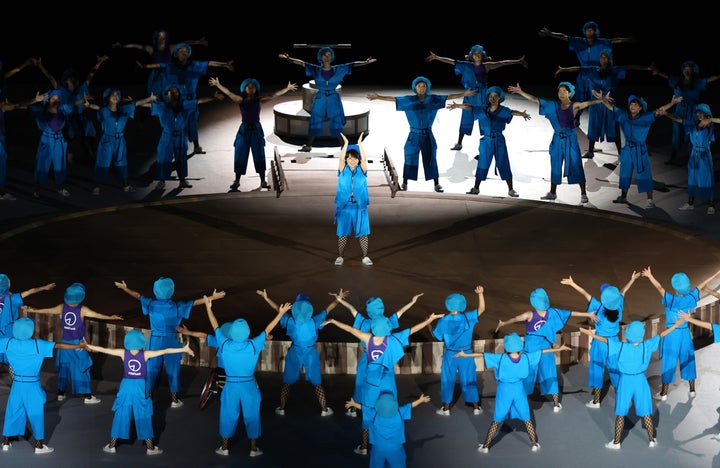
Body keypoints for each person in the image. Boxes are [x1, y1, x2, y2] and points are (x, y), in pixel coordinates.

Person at [322, 312, 442, 457]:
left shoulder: (368, 339)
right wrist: (429, 319)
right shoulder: (393, 339)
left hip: (371, 383)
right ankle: (388, 442)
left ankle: (364, 446)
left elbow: (350, 329)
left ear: (373, 328)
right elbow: (413, 329)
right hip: (388, 383)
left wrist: (334, 321)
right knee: (389, 410)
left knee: (368, 412)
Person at [113, 277, 226, 407]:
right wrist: (212, 298)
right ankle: (174, 399)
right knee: (173, 369)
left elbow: (138, 296)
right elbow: (194, 303)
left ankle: (149, 396)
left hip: (155, 341)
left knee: (152, 369)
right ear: (171, 290)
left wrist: (125, 288)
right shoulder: (177, 307)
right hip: (171, 341)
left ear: (155, 290)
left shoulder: (151, 304)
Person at [202, 294, 289, 457]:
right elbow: (268, 329)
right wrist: (281, 313)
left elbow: (215, 326)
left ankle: (224, 447)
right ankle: (254, 449)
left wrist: (208, 306)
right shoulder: (253, 344)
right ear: (247, 332)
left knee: (228, 415)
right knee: (252, 415)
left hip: (231, 386)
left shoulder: (224, 343)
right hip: (249, 385)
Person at [84, 329, 194, 455]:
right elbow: (166, 350)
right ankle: (150, 448)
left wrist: (87, 345)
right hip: (140, 388)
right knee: (143, 416)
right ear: (141, 342)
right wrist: (183, 349)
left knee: (121, 415)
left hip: (126, 387)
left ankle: (111, 446)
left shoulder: (123, 353)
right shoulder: (146, 354)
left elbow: (103, 349)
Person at [579, 319, 686, 449]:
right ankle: (652, 440)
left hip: (625, 381)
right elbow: (662, 334)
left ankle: (616, 442)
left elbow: (605, 340)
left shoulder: (621, 346)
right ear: (641, 335)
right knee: (646, 412)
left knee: (620, 413)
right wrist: (675, 324)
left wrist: (589, 333)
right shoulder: (646, 345)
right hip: (641, 381)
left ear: (628, 334)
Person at [456, 333, 571, 453]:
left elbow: (480, 355)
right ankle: (535, 444)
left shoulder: (500, 358)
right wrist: (559, 348)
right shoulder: (526, 357)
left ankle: (485, 446)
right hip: (519, 390)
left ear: (506, 347)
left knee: (497, 419)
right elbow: (542, 352)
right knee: (527, 418)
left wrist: (464, 354)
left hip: (504, 391)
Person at [495, 287, 597, 411]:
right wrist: (589, 314)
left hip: (530, 350)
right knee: (550, 374)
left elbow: (516, 319)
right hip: (546, 349)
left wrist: (504, 323)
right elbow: (571, 313)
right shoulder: (553, 312)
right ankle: (556, 405)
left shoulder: (529, 314)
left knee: (526, 374)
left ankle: (520, 403)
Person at [367, 76, 475, 192]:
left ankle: (436, 184)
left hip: (428, 134)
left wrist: (464, 94)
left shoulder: (433, 99)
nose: (421, 88)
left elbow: (448, 96)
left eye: (424, 86)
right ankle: (405, 182)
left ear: (427, 88)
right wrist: (378, 97)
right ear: (415, 88)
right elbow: (394, 99)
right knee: (410, 158)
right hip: (414, 135)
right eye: (419, 86)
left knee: (431, 158)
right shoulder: (409, 100)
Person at [331, 291, 424, 422]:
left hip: (367, 359)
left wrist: (340, 300)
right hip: (386, 360)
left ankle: (356, 407)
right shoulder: (388, 322)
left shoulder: (364, 322)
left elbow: (352, 310)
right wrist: (412, 302)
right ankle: (390, 409)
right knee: (388, 384)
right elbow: (400, 312)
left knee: (362, 383)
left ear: (369, 310)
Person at [23, 282, 123, 404]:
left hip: (64, 344)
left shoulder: (62, 307)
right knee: (83, 369)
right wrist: (111, 318)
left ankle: (61, 393)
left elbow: (48, 311)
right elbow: (98, 315)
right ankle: (87, 397)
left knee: (64, 369)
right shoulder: (82, 309)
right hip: (78, 346)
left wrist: (34, 310)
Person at [507, 82, 604, 204]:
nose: (562, 93)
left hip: (570, 140)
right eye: (560, 91)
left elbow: (588, 103)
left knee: (576, 165)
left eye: (564, 91)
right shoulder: (553, 106)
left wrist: (601, 100)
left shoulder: (574, 106)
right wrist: (521, 92)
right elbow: (536, 100)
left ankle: (583, 193)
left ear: (569, 93)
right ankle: (552, 193)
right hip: (557, 139)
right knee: (555, 165)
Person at [0, 317, 84, 454]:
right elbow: (58, 345)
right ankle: (39, 446)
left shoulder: (8, 342)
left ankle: (5, 443)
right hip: (32, 386)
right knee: (36, 414)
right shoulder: (38, 344)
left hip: (16, 385)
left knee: (12, 411)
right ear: (31, 331)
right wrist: (77, 346)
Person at [255, 288, 343, 416]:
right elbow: (329, 308)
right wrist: (338, 299)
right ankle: (324, 409)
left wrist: (266, 298)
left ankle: (281, 408)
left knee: (287, 382)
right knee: (317, 383)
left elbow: (277, 310)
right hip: (310, 353)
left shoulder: (290, 320)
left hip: (294, 352)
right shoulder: (315, 320)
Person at [560, 272, 641, 407]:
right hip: (614, 342)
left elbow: (585, 294)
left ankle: (596, 401)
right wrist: (631, 279)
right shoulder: (619, 307)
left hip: (599, 342)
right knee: (615, 369)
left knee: (597, 370)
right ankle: (622, 396)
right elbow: (623, 292)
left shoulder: (598, 308)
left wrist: (572, 283)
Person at [425, 45, 528, 151]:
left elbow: (502, 63)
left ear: (482, 55)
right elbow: (452, 61)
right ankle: (459, 143)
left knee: (485, 117)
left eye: (479, 53)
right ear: (471, 56)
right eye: (475, 53)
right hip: (470, 94)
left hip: (483, 95)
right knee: (466, 117)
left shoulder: (486, 66)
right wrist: (437, 57)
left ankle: (487, 143)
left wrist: (518, 61)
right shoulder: (466, 65)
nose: (477, 55)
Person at [556, 50, 654, 158]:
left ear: (609, 59)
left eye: (606, 57)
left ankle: (621, 153)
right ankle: (590, 151)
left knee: (613, 126)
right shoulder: (594, 70)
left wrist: (647, 68)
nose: (603, 59)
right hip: (596, 103)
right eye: (601, 57)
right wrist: (563, 69)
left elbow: (629, 67)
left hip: (609, 103)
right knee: (594, 125)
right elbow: (579, 68)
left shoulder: (614, 71)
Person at [640, 266, 720, 400]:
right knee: (688, 359)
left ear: (675, 287)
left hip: (672, 334)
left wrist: (650, 276)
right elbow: (701, 285)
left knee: (669, 361)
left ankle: (664, 393)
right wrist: (717, 273)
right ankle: (692, 389)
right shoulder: (690, 298)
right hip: (685, 334)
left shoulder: (671, 300)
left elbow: (660, 288)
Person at [139, 42, 234, 155]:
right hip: (174, 99)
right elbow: (158, 65)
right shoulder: (171, 66)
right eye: (182, 50)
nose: (185, 52)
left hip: (189, 99)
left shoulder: (194, 65)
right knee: (172, 124)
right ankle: (170, 146)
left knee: (192, 122)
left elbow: (209, 63)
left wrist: (224, 65)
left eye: (186, 50)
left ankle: (196, 146)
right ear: (176, 53)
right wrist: (144, 66)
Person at [592, 91, 682, 208]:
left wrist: (672, 103)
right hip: (627, 149)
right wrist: (603, 99)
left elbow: (659, 110)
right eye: (631, 104)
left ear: (640, 108)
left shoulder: (646, 117)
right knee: (625, 173)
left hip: (640, 150)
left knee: (644, 173)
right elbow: (611, 107)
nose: (632, 106)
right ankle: (623, 197)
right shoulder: (624, 115)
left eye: (636, 105)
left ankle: (650, 200)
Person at [278, 47, 376, 152]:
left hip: (333, 98)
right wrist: (288, 58)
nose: (327, 57)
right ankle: (308, 146)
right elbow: (302, 63)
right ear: (320, 57)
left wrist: (366, 62)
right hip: (320, 97)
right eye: (324, 55)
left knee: (336, 121)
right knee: (315, 120)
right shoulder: (315, 69)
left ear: (332, 56)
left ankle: (343, 145)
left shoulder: (338, 69)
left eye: (329, 55)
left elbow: (352, 64)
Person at [538, 21, 635, 127]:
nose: (589, 31)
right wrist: (550, 33)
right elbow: (565, 37)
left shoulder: (600, 42)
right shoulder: (579, 42)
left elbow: (615, 40)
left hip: (597, 74)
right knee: (580, 98)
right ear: (584, 31)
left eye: (592, 30)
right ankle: (576, 117)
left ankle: (604, 121)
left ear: (595, 31)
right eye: (587, 29)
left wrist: (626, 39)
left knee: (598, 98)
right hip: (583, 74)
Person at [209, 76, 297, 191]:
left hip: (256, 130)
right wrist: (218, 85)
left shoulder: (259, 100)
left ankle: (262, 181)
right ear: (244, 89)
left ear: (256, 89)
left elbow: (274, 95)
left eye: (253, 87)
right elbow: (229, 93)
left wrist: (287, 88)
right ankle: (237, 181)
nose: (251, 89)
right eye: (248, 87)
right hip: (244, 130)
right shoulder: (240, 100)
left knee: (259, 154)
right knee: (240, 154)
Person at [446, 86, 531, 197]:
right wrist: (457, 106)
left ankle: (511, 189)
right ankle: (476, 188)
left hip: (499, 140)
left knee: (503, 162)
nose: (492, 98)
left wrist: (521, 113)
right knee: (482, 163)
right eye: (491, 96)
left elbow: (512, 112)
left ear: (499, 98)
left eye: (495, 96)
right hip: (486, 141)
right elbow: (470, 107)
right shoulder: (482, 109)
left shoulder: (504, 110)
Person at [137, 83, 222, 190]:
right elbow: (147, 105)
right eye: (171, 92)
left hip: (180, 136)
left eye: (176, 91)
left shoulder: (185, 104)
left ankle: (182, 180)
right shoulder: (162, 106)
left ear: (179, 93)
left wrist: (213, 98)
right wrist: (136, 102)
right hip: (167, 136)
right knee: (164, 158)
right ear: (167, 94)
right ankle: (162, 181)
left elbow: (199, 101)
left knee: (181, 158)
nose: (174, 93)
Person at [37, 55, 109, 164]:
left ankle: (91, 152)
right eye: (71, 77)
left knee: (90, 130)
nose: (73, 79)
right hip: (67, 118)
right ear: (66, 80)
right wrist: (40, 66)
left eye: (74, 77)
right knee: (71, 135)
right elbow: (50, 77)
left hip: (81, 117)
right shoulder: (61, 90)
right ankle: (69, 154)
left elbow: (90, 75)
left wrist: (98, 63)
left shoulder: (81, 88)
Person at [85, 87, 154, 195]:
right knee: (102, 162)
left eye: (117, 95)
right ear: (107, 98)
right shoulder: (104, 110)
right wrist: (88, 105)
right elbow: (96, 107)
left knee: (122, 162)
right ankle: (97, 186)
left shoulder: (124, 109)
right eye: (112, 95)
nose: (115, 96)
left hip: (120, 140)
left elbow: (136, 103)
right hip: (107, 139)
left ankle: (126, 185)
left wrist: (149, 98)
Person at [651, 61, 720, 166]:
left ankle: (693, 158)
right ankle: (673, 157)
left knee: (692, 134)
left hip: (692, 112)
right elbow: (666, 76)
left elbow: (712, 78)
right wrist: (658, 72)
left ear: (693, 71)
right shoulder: (677, 81)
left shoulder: (698, 82)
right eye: (685, 69)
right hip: (679, 111)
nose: (686, 71)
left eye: (689, 69)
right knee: (676, 134)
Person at [431, 286, 485, 416]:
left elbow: (435, 336)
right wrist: (480, 294)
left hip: (450, 355)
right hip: (466, 354)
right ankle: (476, 408)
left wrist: (428, 323)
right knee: (469, 379)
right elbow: (482, 309)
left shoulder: (443, 320)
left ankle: (446, 409)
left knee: (447, 380)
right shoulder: (468, 317)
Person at [112, 30, 208, 103]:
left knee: (172, 95)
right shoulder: (151, 49)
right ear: (156, 38)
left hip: (168, 75)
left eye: (164, 37)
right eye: (160, 37)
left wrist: (198, 42)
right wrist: (123, 46)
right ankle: (144, 119)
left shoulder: (170, 48)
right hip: (156, 76)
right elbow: (137, 46)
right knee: (151, 97)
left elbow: (185, 42)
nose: (162, 39)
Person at [345, 391, 431, 468]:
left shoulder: (374, 414)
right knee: (398, 464)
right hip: (396, 449)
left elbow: (363, 408)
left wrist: (353, 404)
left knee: (376, 464)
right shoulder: (399, 412)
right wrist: (421, 400)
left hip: (378, 449)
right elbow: (410, 405)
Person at [660, 102, 719, 214]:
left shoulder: (709, 125)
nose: (698, 114)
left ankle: (711, 205)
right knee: (692, 179)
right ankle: (690, 203)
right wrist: (666, 114)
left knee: (707, 179)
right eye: (697, 112)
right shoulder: (693, 123)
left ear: (706, 113)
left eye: (701, 112)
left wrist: (711, 119)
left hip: (704, 155)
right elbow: (679, 119)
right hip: (693, 155)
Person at [0, 274, 55, 370]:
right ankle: (16, 379)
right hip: (9, 331)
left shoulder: (11, 297)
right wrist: (44, 288)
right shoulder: (12, 298)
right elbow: (31, 291)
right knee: (12, 358)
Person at [26, 89, 74, 197]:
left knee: (60, 164)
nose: (56, 100)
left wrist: (81, 101)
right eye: (53, 98)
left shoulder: (63, 110)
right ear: (48, 100)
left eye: (58, 98)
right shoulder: (41, 111)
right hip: (46, 140)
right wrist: (35, 100)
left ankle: (61, 187)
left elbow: (72, 104)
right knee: (42, 163)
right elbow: (22, 106)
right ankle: (37, 188)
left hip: (59, 140)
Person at [333, 132, 372, 266]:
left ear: (358, 159)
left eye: (355, 158)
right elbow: (340, 159)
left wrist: (360, 144)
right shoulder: (342, 170)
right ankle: (340, 256)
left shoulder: (362, 170)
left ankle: (365, 257)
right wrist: (346, 144)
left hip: (359, 206)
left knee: (363, 234)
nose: (352, 161)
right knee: (342, 233)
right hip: (345, 207)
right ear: (346, 159)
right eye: (349, 158)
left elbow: (365, 159)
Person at [0, 91, 46, 200]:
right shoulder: (2, 105)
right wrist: (35, 100)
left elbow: (16, 106)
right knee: (1, 165)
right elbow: (17, 105)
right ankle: (1, 193)